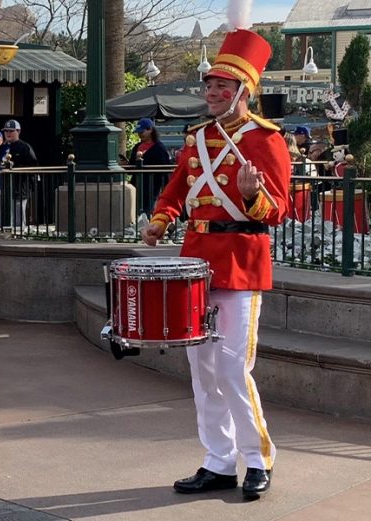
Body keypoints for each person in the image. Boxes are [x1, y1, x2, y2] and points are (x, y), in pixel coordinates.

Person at [141, 24, 287, 501]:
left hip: (241, 262)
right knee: (202, 371)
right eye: (209, 85)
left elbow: (279, 210)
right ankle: (218, 462)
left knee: (232, 369)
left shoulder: (266, 139)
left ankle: (258, 459)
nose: (212, 92)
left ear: (243, 91)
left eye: (222, 86)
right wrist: (160, 221)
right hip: (197, 262)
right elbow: (175, 191)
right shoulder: (197, 138)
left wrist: (252, 196)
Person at [128, 118, 172, 214]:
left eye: (142, 132)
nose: (140, 135)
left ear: (150, 130)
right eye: (138, 133)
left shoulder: (159, 148)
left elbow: (165, 169)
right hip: (137, 185)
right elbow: (131, 166)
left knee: (148, 211)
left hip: (153, 187)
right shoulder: (137, 147)